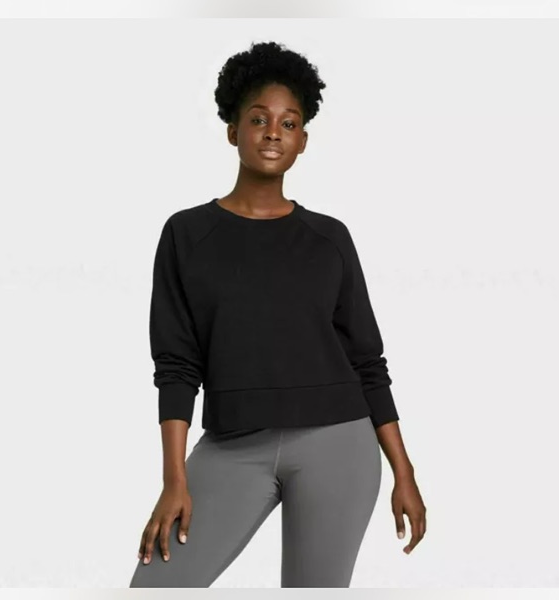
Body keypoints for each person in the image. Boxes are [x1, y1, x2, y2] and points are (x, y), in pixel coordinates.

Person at [129, 40, 426, 588]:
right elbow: (176, 365)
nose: (273, 133)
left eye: (288, 123)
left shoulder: (329, 239)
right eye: (259, 119)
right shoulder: (187, 234)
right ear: (232, 130)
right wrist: (174, 480)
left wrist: (403, 473)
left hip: (338, 444)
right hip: (232, 446)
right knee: (156, 587)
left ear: (302, 141)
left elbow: (368, 361)